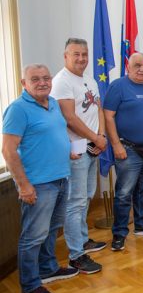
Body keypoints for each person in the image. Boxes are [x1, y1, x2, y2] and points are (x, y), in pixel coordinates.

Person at [2, 64, 79, 293]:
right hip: (38, 184)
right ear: (23, 83)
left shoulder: (53, 103)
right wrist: (24, 185)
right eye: (35, 79)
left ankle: (48, 268)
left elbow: (53, 134)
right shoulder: (17, 109)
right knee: (32, 237)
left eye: (46, 78)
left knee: (52, 228)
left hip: (61, 177)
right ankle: (30, 287)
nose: (42, 82)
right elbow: (8, 150)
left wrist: (68, 151)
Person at [50, 38, 107, 275]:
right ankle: (76, 256)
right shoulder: (61, 81)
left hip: (93, 145)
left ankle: (83, 240)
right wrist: (95, 137)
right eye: (76, 54)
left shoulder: (89, 79)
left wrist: (101, 136)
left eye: (84, 54)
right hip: (75, 150)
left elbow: (98, 109)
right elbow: (69, 118)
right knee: (75, 202)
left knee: (86, 197)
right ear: (66, 56)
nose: (81, 58)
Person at [103, 52, 143, 251]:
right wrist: (115, 145)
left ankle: (142, 224)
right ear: (128, 66)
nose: (142, 69)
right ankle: (119, 233)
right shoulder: (117, 86)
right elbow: (108, 116)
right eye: (137, 65)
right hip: (128, 149)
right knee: (124, 193)